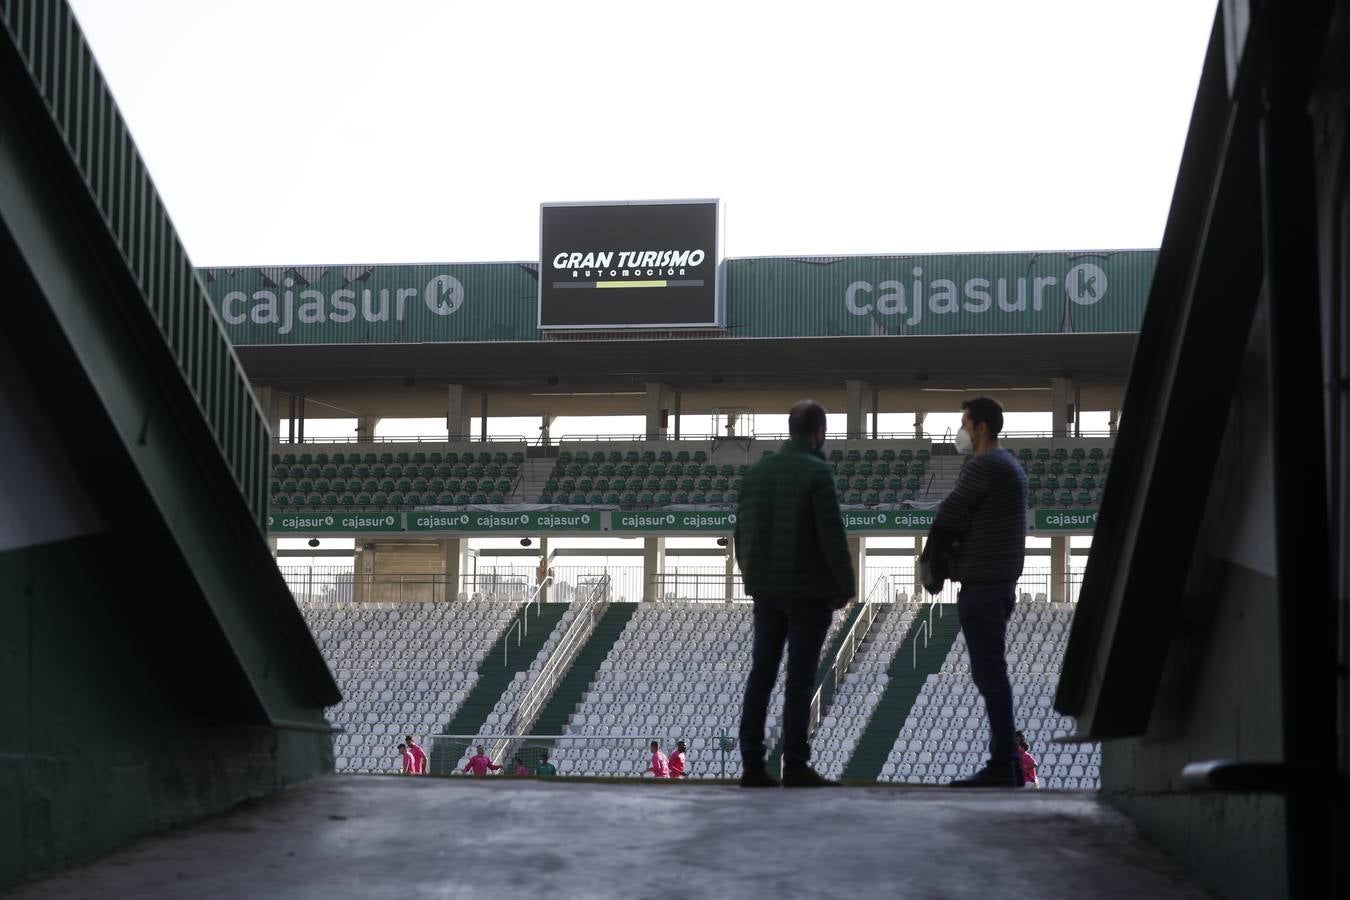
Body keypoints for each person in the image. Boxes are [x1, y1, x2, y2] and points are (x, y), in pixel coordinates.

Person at [735, 400, 855, 788]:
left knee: (761, 676)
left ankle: (752, 764)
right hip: (807, 592)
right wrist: (844, 586)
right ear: (819, 432)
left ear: (791, 429)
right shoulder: (817, 472)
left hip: (765, 591)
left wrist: (752, 578)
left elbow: (741, 535)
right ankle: (796, 765)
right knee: (799, 680)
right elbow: (832, 536)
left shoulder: (755, 473)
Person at [925, 397, 1028, 787]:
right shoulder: (1011, 464)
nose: (962, 430)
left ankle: (1002, 765)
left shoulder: (985, 465)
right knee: (992, 673)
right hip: (998, 583)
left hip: (983, 585)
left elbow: (947, 513)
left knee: (990, 675)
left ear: (981, 427)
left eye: (966, 422)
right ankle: (1010, 766)